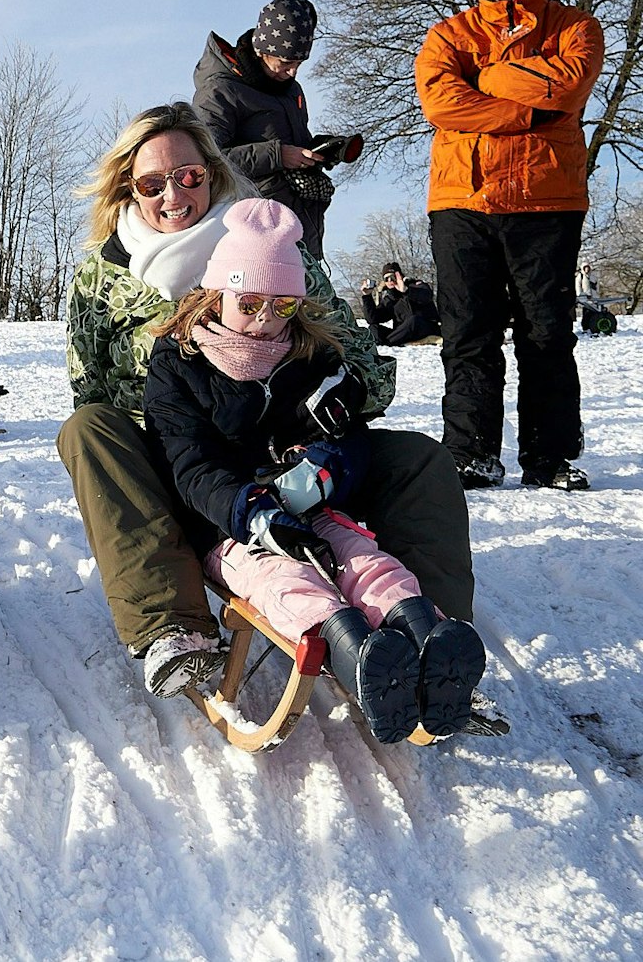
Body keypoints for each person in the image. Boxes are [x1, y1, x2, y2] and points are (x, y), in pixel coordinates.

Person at [57, 103, 502, 732]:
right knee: (88, 432)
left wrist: (338, 400)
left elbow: (358, 363)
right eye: (152, 183)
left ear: (212, 173)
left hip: (298, 455)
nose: (173, 195)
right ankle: (171, 625)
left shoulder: (277, 245)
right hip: (183, 460)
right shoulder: (102, 275)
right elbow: (90, 390)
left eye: (188, 176)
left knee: (420, 459)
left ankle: (434, 646)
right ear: (128, 187)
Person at [144, 199, 488, 741]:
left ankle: (425, 638)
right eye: (249, 303)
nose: (264, 319)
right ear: (216, 294)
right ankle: (359, 657)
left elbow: (352, 438)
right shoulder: (179, 363)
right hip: (230, 526)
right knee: (286, 579)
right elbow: (189, 463)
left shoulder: (313, 358)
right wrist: (251, 511)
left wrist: (333, 461)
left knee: (366, 561)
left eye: (282, 305)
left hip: (313, 508)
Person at [419, 0, 604, 492]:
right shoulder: (447, 36)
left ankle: (550, 456)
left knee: (546, 334)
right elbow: (442, 103)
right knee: (467, 334)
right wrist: (528, 110)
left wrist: (486, 79)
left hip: (547, 200)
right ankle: (469, 453)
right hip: (461, 199)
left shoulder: (576, 28)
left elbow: (569, 85)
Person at [192, 0, 336, 258]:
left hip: (302, 226)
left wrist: (315, 151)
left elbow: (292, 148)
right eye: (286, 63)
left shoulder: (291, 90)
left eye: (299, 63)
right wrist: (278, 155)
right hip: (254, 231)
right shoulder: (220, 91)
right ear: (262, 50)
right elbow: (206, 161)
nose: (293, 72)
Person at [358, 261, 440, 346]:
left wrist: (406, 291)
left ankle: (387, 343)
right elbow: (373, 319)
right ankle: (385, 341)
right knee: (373, 328)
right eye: (386, 279)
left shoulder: (416, 286)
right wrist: (367, 296)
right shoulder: (390, 299)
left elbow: (426, 296)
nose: (390, 281)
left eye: (392, 277)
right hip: (403, 333)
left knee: (414, 320)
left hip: (425, 327)